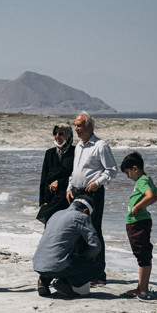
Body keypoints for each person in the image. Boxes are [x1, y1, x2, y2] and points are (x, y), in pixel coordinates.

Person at [66, 111, 118, 284]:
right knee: (77, 232)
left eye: (79, 125)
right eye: (75, 125)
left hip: (93, 194)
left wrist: (98, 182)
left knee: (93, 231)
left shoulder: (100, 146)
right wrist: (69, 187)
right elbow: (75, 171)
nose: (76, 129)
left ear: (89, 126)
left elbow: (112, 170)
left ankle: (98, 274)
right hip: (76, 192)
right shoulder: (79, 146)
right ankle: (83, 271)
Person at [33, 198, 102, 298]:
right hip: (56, 267)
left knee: (55, 255)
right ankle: (64, 283)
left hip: (38, 265)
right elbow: (96, 246)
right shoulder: (81, 216)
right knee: (98, 267)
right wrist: (83, 257)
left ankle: (43, 281)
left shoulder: (56, 214)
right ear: (85, 211)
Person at [119, 152, 157, 301]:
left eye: (128, 173)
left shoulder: (142, 181)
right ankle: (140, 287)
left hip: (137, 222)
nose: (128, 177)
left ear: (135, 169)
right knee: (143, 254)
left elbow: (151, 196)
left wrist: (137, 207)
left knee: (142, 255)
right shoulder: (147, 178)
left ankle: (143, 289)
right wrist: (143, 207)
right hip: (141, 221)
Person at [37, 124, 75, 225]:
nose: (57, 136)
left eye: (61, 133)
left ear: (68, 135)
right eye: (55, 133)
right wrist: (43, 201)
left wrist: (60, 182)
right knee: (49, 227)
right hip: (51, 197)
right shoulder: (49, 153)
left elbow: (77, 175)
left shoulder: (75, 152)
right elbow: (44, 178)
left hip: (67, 197)